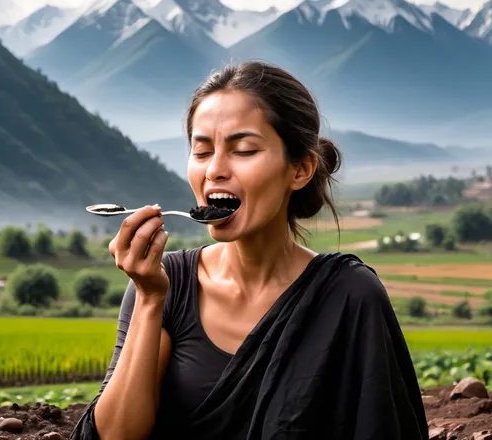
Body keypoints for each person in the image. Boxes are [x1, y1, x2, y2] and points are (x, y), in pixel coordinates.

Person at [70, 61, 429, 440]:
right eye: (202, 151)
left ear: (300, 169)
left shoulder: (350, 296)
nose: (215, 171)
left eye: (243, 150)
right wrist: (148, 298)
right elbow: (115, 435)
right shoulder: (166, 284)